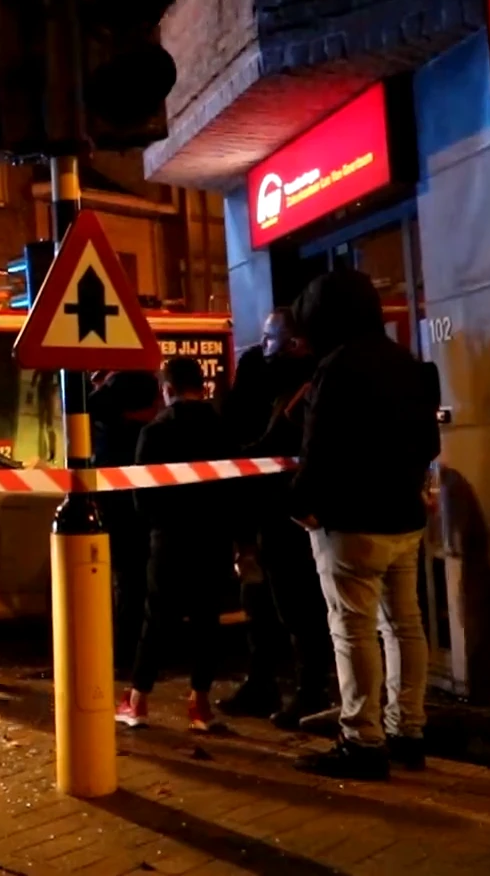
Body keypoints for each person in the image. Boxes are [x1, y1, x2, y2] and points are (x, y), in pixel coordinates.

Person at [289, 269, 441, 780]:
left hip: (351, 524)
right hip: (405, 518)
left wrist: (300, 505)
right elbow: (429, 444)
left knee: (352, 632)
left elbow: (319, 450)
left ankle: (362, 740)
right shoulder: (407, 364)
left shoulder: (336, 369)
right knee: (405, 626)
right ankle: (409, 732)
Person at [219, 310, 334, 729]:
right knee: (260, 603)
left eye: (269, 340)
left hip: (292, 516)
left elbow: (269, 443)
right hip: (263, 513)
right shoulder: (266, 380)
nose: (261, 348)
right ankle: (262, 682)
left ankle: (311, 691)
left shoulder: (308, 385)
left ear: (294, 343)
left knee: (298, 607)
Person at [115, 357, 235, 733]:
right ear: (201, 386)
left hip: (169, 538)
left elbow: (143, 498)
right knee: (206, 620)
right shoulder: (221, 426)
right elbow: (233, 485)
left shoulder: (155, 431)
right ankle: (200, 704)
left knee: (156, 619)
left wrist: (157, 528)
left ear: (166, 390)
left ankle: (138, 700)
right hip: (214, 537)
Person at [88, 369, 162, 663]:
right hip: (133, 523)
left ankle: (125, 651)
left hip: (118, 521)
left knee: (127, 587)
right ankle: (129, 654)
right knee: (133, 589)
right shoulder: (140, 436)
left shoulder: (106, 431)